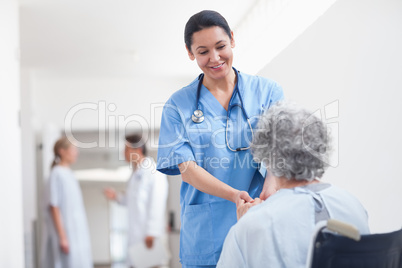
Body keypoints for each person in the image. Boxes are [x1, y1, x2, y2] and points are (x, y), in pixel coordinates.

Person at [156, 10, 284, 267]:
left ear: (232, 39)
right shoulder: (177, 106)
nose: (214, 58)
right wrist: (235, 195)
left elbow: (278, 152)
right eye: (203, 51)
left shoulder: (268, 92)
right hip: (206, 233)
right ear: (190, 53)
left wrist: (267, 196)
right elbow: (188, 170)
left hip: (255, 215)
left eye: (221, 46)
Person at [217, 101, 370, 268]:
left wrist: (247, 225)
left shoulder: (254, 225)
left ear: (268, 155)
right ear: (320, 148)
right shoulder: (353, 205)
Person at [104, 133, 169, 267]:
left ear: (138, 150)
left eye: (126, 149)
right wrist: (116, 196)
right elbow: (131, 201)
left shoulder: (153, 172)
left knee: (150, 264)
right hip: (136, 235)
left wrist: (152, 232)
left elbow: (157, 203)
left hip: (148, 236)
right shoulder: (135, 175)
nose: (124, 153)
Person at [42, 136, 93, 268]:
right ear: (62, 151)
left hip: (77, 231)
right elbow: (54, 206)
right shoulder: (56, 174)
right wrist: (62, 236)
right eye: (73, 149)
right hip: (67, 233)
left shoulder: (69, 174)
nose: (77, 152)